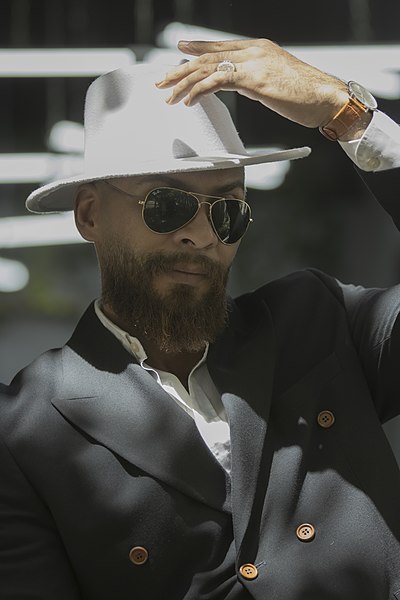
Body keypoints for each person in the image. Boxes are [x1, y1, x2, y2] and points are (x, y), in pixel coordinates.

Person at [1, 38, 400, 600]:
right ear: (90, 214)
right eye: (168, 204)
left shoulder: (319, 321)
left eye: (227, 210)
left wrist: (348, 114)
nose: (202, 234)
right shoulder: (24, 429)